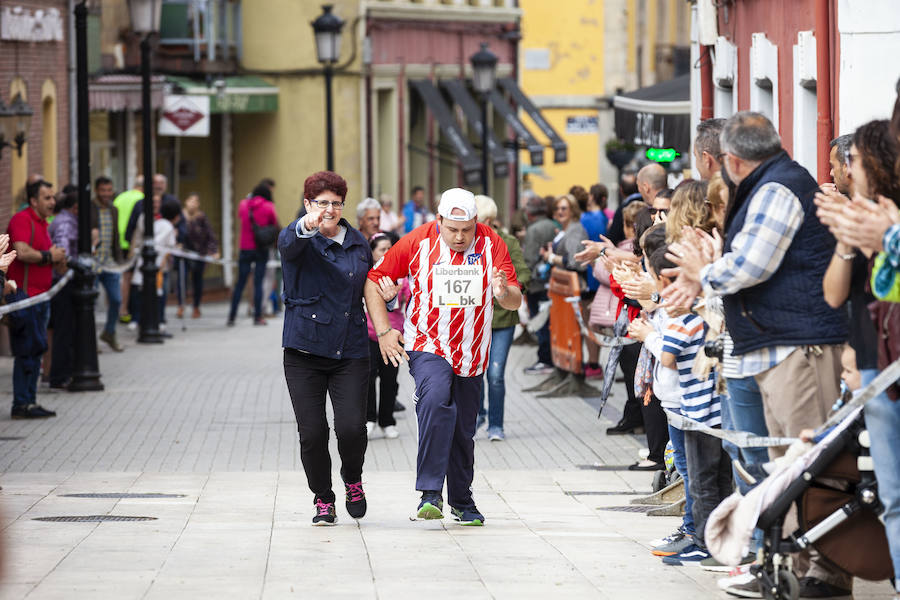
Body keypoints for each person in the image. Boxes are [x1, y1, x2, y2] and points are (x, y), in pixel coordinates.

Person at [665, 111, 851, 594]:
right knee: (789, 469)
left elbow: (751, 264)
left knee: (810, 464)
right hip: (781, 348)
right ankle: (796, 565)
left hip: (799, 349)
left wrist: (702, 273)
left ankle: (828, 572)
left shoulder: (776, 189)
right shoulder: (770, 184)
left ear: (731, 159)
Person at [365, 188, 521, 526]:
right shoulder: (417, 241)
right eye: (452, 230)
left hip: (473, 350)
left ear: (477, 223)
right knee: (435, 400)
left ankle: (462, 501)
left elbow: (515, 300)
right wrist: (384, 331)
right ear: (439, 221)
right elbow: (374, 280)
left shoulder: (492, 243)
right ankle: (430, 493)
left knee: (464, 429)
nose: (460, 237)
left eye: (467, 230)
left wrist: (503, 292)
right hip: (427, 343)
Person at [280, 171, 372, 526]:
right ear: (308, 204)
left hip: (350, 350)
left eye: (335, 203)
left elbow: (370, 287)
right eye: (322, 203)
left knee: (351, 428)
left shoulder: (358, 243)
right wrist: (307, 224)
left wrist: (389, 300)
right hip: (304, 350)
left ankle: (353, 479)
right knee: (313, 433)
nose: (329, 209)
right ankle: (323, 497)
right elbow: (289, 243)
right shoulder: (299, 238)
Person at [473, 194, 530, 441]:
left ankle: (496, 425)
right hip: (473, 321)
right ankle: (477, 415)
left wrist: (510, 289)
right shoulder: (464, 245)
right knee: (473, 372)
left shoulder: (507, 242)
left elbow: (523, 273)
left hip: (502, 321)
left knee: (495, 374)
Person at [7, 179, 65, 419]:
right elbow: (21, 251)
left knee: (37, 347)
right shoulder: (22, 220)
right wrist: (48, 256)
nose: (52, 202)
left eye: (53, 197)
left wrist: (59, 259)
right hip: (25, 297)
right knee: (27, 350)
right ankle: (22, 404)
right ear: (33, 201)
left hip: (41, 298)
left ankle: (30, 400)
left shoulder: (43, 223)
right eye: (47, 198)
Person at [365, 232, 406, 440]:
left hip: (394, 335)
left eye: (390, 248)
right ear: (372, 253)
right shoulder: (367, 276)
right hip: (369, 336)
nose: (387, 253)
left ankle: (387, 421)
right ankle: (369, 419)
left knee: (390, 380)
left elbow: (410, 297)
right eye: (382, 249)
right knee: (368, 378)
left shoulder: (401, 276)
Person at [228, 183, 279, 326]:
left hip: (245, 248)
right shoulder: (269, 207)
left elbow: (240, 216)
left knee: (240, 283)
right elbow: (274, 224)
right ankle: (257, 317)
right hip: (261, 248)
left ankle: (231, 316)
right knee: (258, 283)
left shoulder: (243, 204)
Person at [521, 195, 559, 375]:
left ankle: (545, 360)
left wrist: (522, 283)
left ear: (529, 213)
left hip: (537, 284)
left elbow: (528, 259)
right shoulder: (555, 225)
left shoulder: (533, 230)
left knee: (540, 322)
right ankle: (553, 358)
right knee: (552, 322)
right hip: (554, 281)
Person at [131, 197, 180, 331]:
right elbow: (160, 245)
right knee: (155, 295)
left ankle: (149, 322)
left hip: (152, 265)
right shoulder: (164, 225)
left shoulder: (159, 222)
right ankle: (153, 323)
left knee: (149, 294)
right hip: (153, 265)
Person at [47, 186, 78, 389]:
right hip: (62, 283)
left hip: (64, 281)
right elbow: (61, 250)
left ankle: (64, 371)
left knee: (67, 329)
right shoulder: (66, 223)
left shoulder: (67, 221)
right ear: (76, 207)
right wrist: (66, 275)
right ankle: (59, 375)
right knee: (63, 329)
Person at [91, 176, 124, 352]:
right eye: (103, 190)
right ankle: (90, 339)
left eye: (109, 190)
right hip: (93, 263)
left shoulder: (114, 209)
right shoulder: (89, 208)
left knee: (117, 299)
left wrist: (119, 261)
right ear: (97, 190)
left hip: (109, 261)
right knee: (92, 301)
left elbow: (116, 236)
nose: (106, 194)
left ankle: (109, 332)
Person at [183, 193, 219, 318]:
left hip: (199, 253)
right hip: (183, 253)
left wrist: (213, 250)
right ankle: (181, 305)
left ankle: (196, 306)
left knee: (197, 281)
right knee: (182, 279)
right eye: (190, 201)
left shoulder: (201, 217)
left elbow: (210, 235)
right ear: (186, 202)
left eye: (195, 201)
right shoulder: (182, 217)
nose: (192, 204)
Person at [114, 175, 143, 325]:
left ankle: (121, 309)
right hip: (131, 243)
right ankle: (125, 310)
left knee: (122, 278)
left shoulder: (120, 198)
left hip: (117, 242)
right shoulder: (142, 199)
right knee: (131, 278)